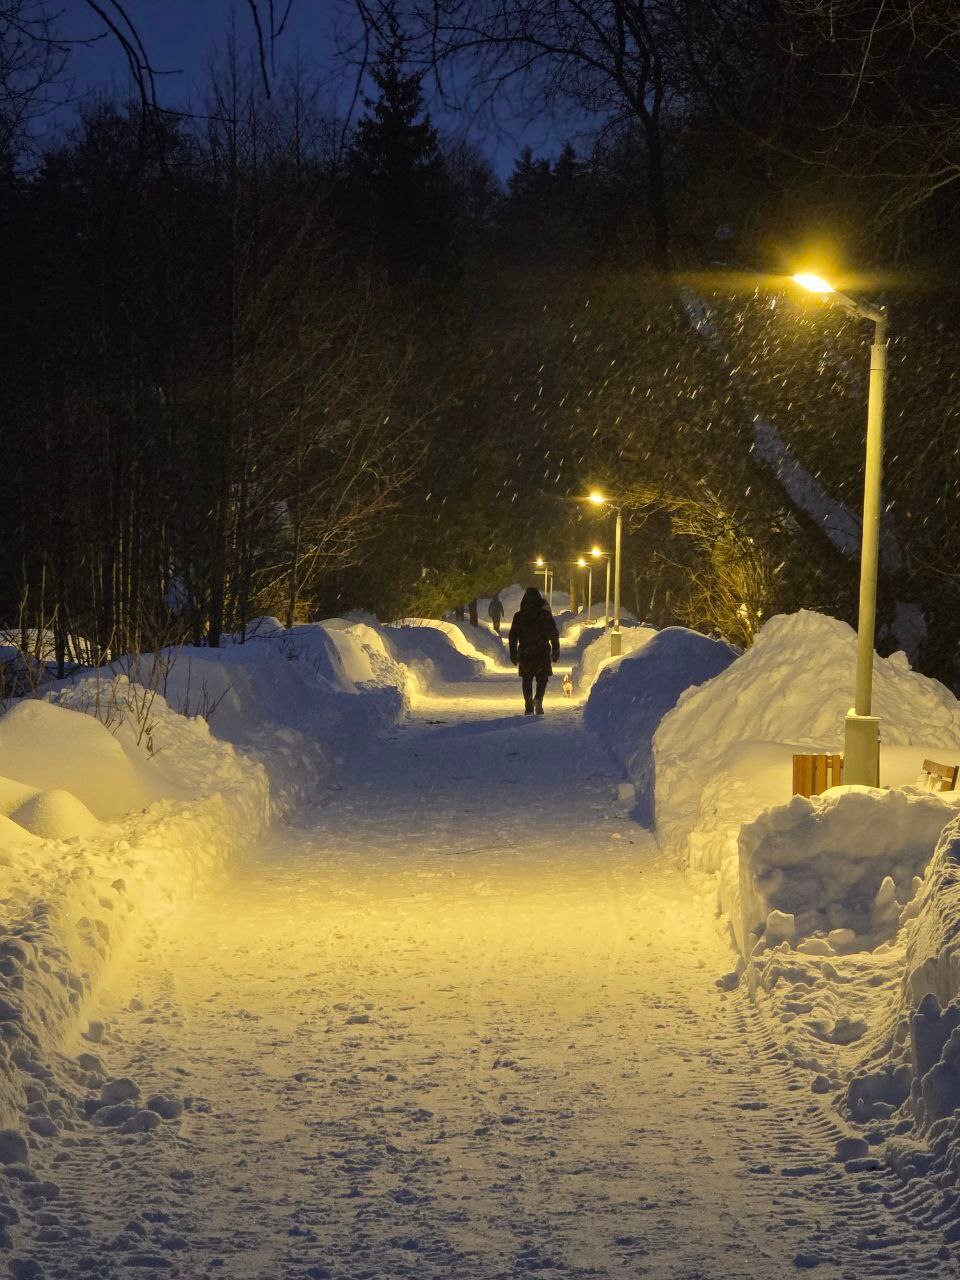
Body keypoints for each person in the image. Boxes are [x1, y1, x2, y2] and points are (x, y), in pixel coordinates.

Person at [508, 586, 560, 715]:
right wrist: (555, 650)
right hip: (542, 651)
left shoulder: (519, 616)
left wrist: (513, 653)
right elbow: (553, 633)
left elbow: (513, 635)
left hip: (525, 652)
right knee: (542, 678)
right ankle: (538, 699)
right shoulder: (545, 615)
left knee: (527, 679)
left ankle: (528, 704)